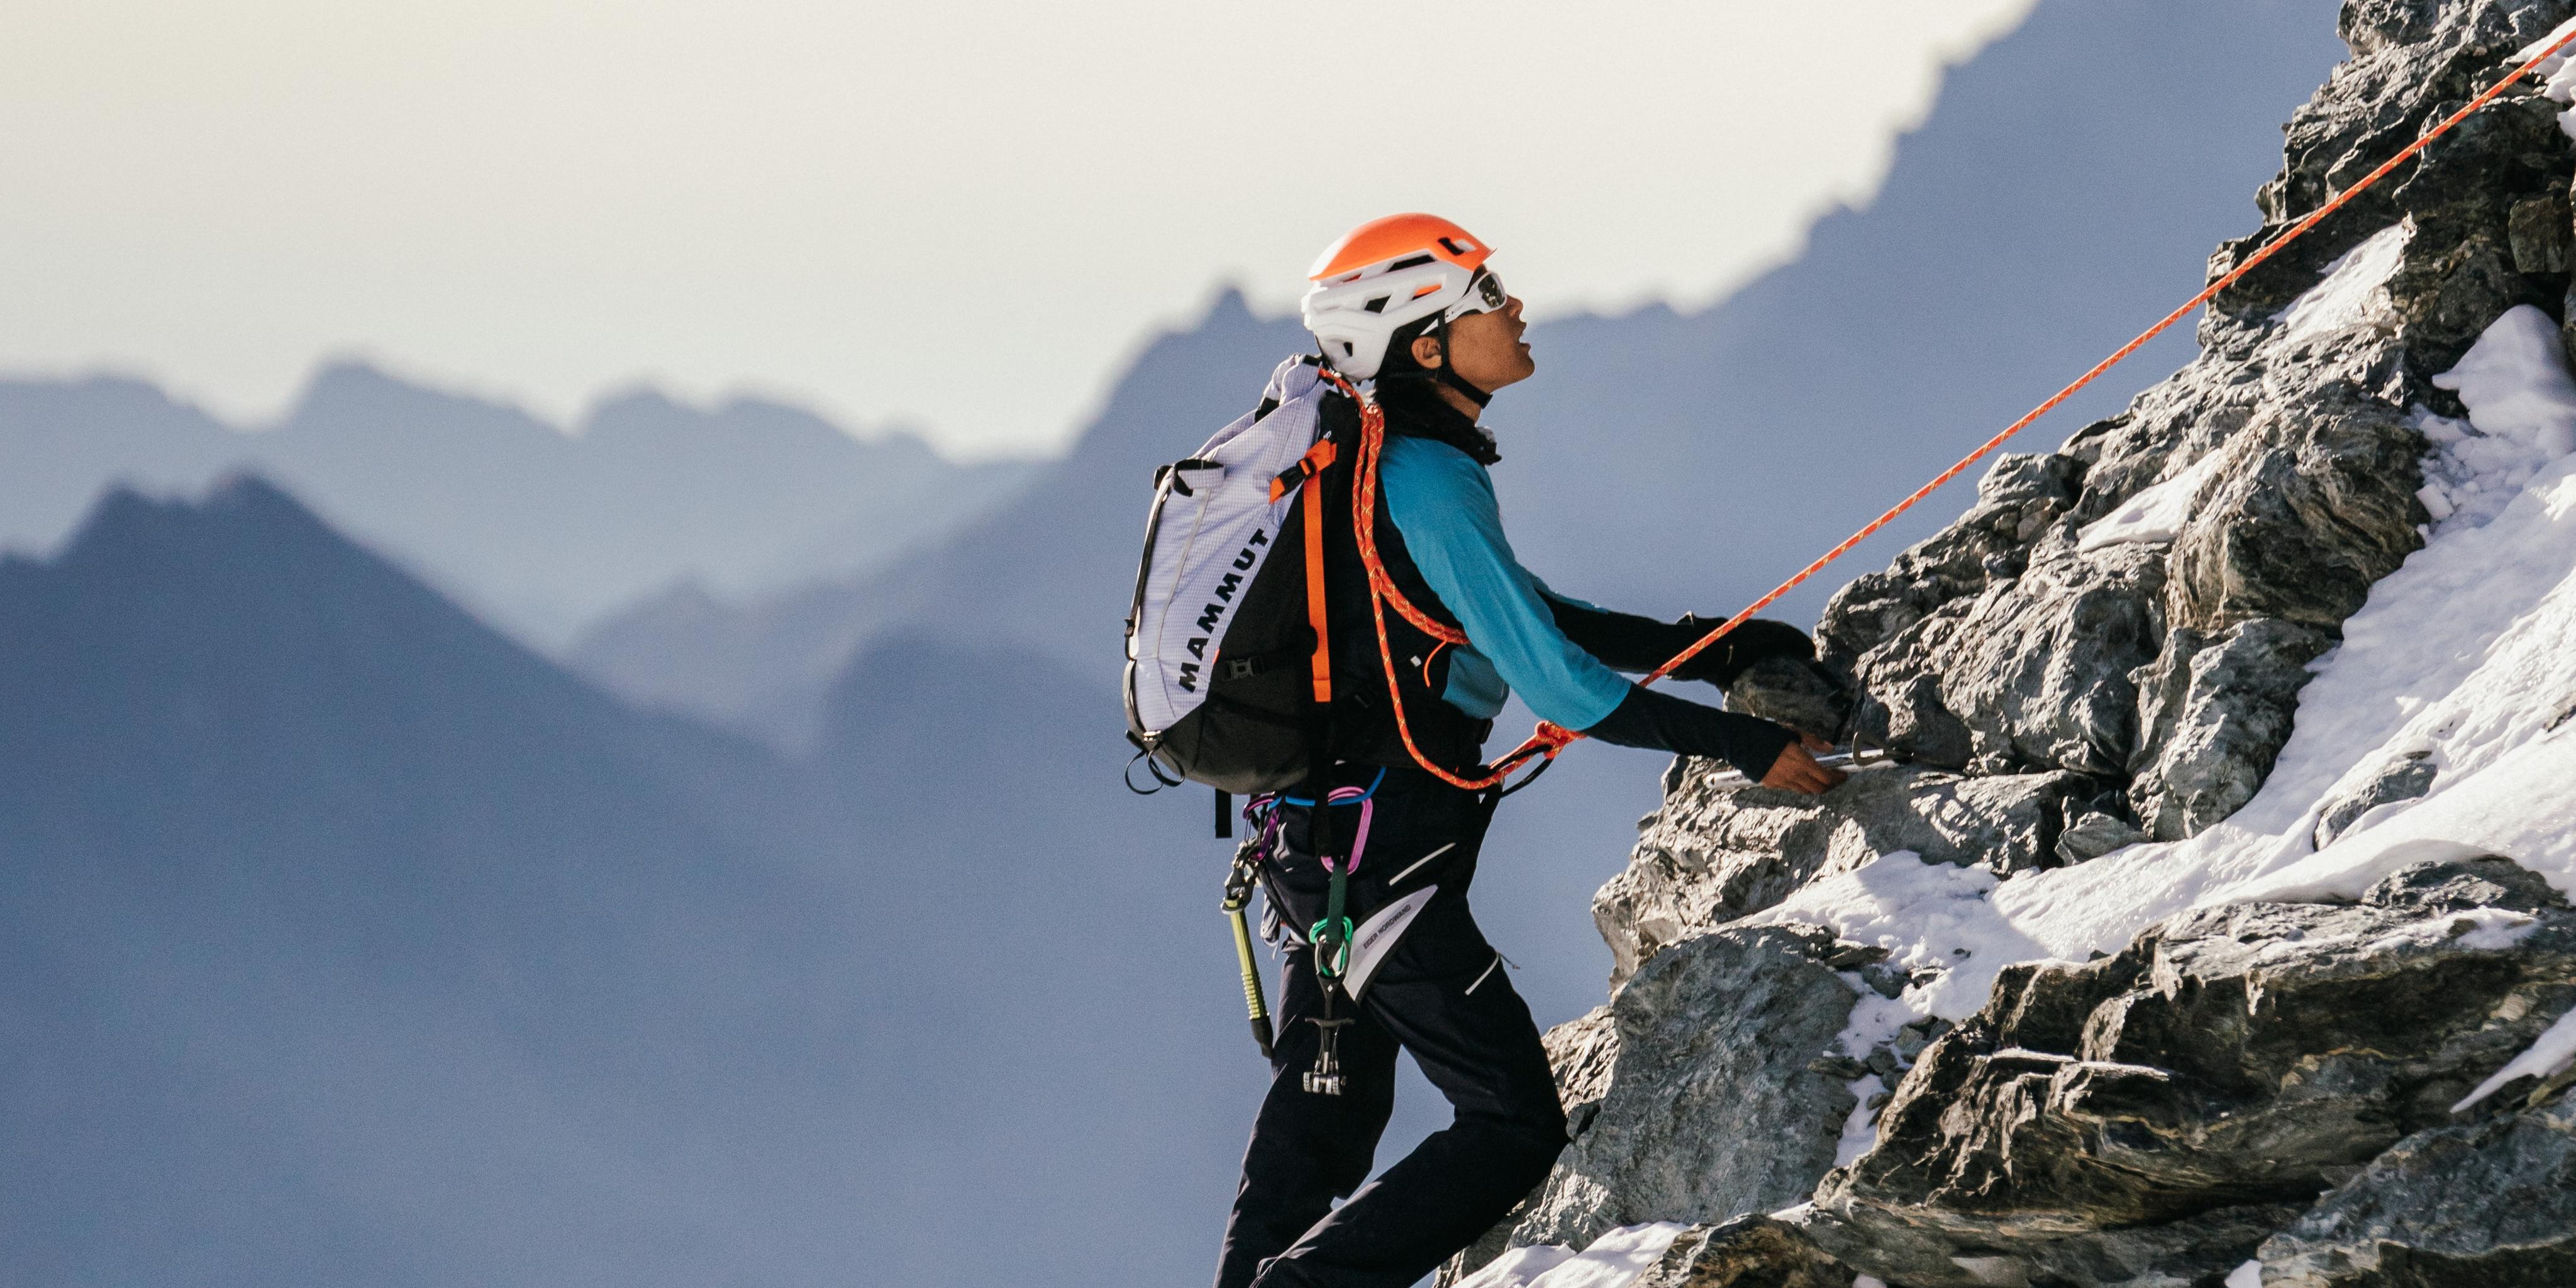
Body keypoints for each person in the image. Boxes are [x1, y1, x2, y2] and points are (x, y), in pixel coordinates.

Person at [1214, 213, 1845, 1288]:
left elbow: (1519, 616)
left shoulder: (1386, 468)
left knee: (1319, 1127)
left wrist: (1715, 647)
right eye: (1486, 297)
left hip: (1320, 854)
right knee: (1509, 1124)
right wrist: (1745, 745)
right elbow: (1557, 683)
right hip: (1384, 868)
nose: (1514, 308)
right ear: (1425, 345)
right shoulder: (1424, 478)